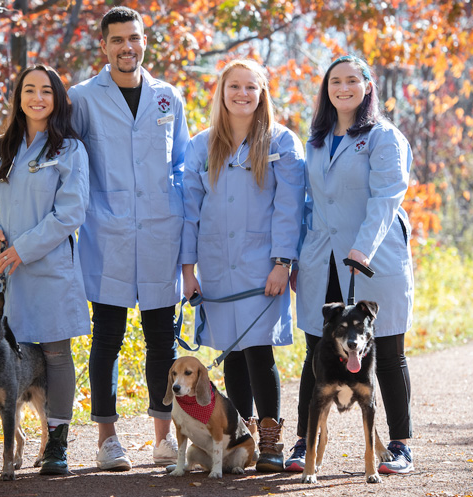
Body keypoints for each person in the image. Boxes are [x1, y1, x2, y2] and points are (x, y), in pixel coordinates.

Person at [67, 6, 190, 471]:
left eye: (133, 38)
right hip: (108, 233)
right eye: (116, 40)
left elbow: (180, 164)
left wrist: (178, 219)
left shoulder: (167, 96)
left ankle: (163, 437)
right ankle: (108, 439)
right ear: (103, 46)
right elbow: (68, 159)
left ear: (144, 42)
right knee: (108, 339)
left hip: (161, 233)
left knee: (163, 340)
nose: (126, 47)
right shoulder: (82, 98)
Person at [288, 55, 415, 474]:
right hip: (322, 258)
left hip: (371, 258)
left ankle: (399, 444)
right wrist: (296, 257)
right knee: (317, 350)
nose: (342, 88)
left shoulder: (384, 138)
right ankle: (306, 443)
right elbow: (309, 204)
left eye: (351, 80)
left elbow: (385, 200)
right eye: (334, 81)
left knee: (388, 349)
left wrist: (362, 249)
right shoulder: (317, 139)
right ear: (326, 89)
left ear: (367, 86)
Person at [180, 59, 305, 472]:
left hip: (261, 265)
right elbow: (190, 213)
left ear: (262, 92)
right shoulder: (201, 146)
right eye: (234, 86)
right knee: (230, 348)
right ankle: (244, 433)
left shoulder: (282, 143)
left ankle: (271, 436)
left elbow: (289, 209)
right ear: (222, 91)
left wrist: (283, 263)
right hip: (216, 265)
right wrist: (187, 270)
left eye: (251, 87)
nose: (242, 94)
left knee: (257, 347)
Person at [0, 64, 91, 476]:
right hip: (5, 273)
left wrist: (24, 249)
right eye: (29, 89)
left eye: (46, 90)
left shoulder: (69, 150)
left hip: (49, 269)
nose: (37, 97)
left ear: (58, 99)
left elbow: (70, 214)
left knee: (56, 355)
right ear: (18, 96)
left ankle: (56, 443)